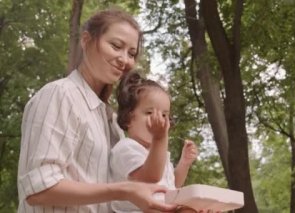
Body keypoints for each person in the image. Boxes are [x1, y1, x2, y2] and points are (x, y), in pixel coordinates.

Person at [17, 8, 177, 212]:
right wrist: (125, 190)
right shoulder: (60, 95)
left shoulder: (113, 122)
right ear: (86, 40)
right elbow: (38, 189)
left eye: (131, 53)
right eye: (116, 46)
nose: (124, 59)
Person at [110, 71, 199, 212]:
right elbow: (150, 178)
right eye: (149, 113)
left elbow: (172, 185)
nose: (159, 120)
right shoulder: (126, 147)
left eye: (164, 115)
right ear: (128, 118)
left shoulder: (159, 153)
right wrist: (160, 138)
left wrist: (184, 162)